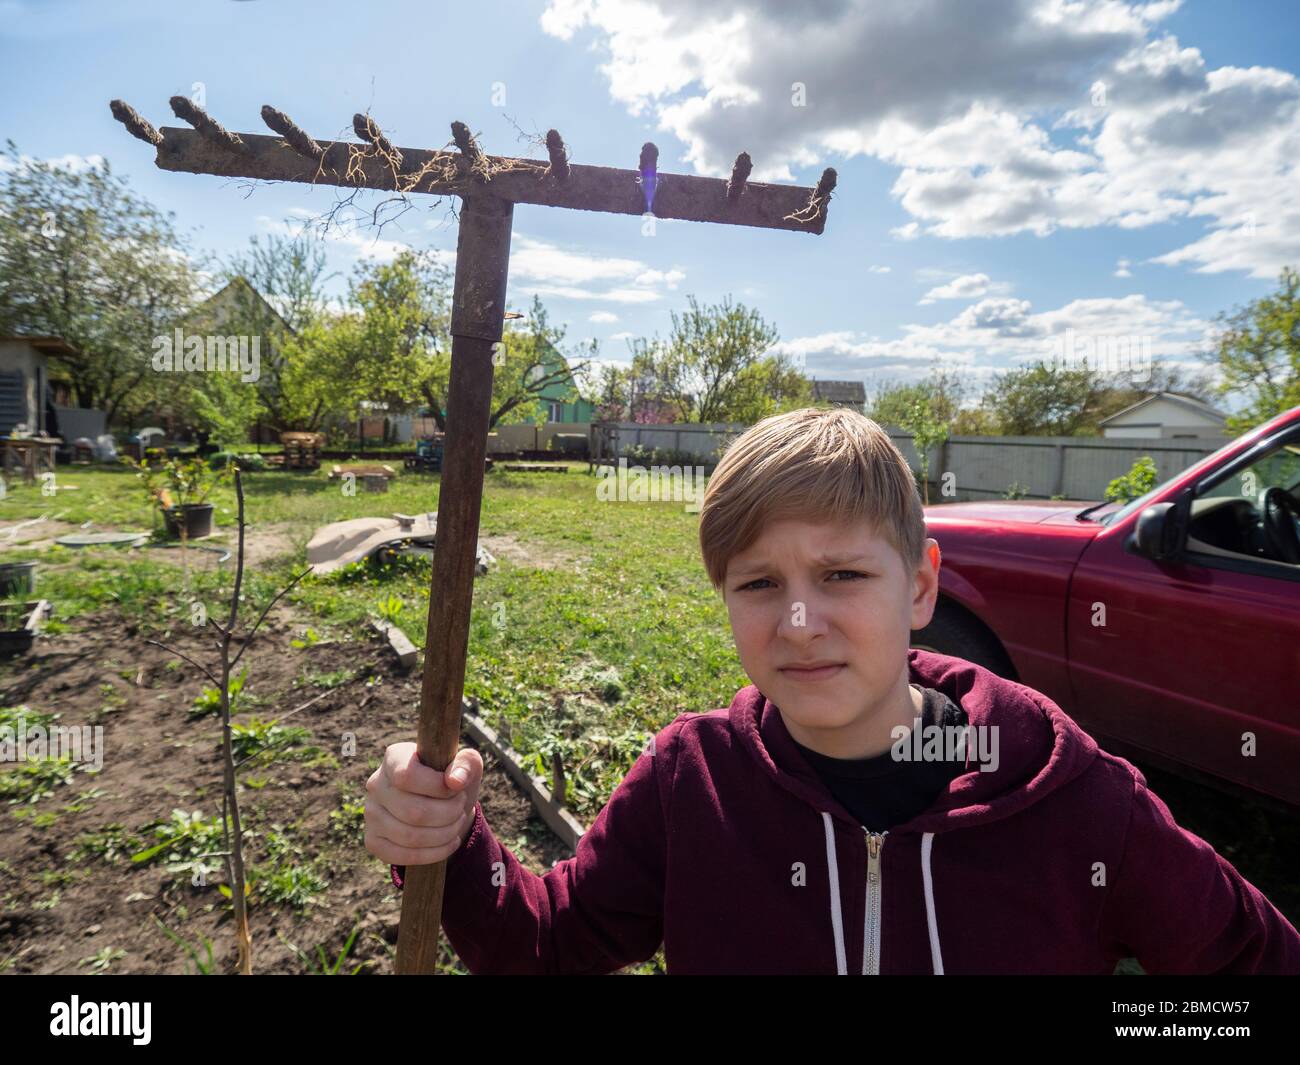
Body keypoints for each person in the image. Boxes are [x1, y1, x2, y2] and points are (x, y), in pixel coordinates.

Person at [365, 407, 1300, 974]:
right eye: (759, 584)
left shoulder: (1071, 798)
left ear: (923, 585)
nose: (799, 623)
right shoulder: (693, 785)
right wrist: (441, 837)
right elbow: (542, 947)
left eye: (843, 576)